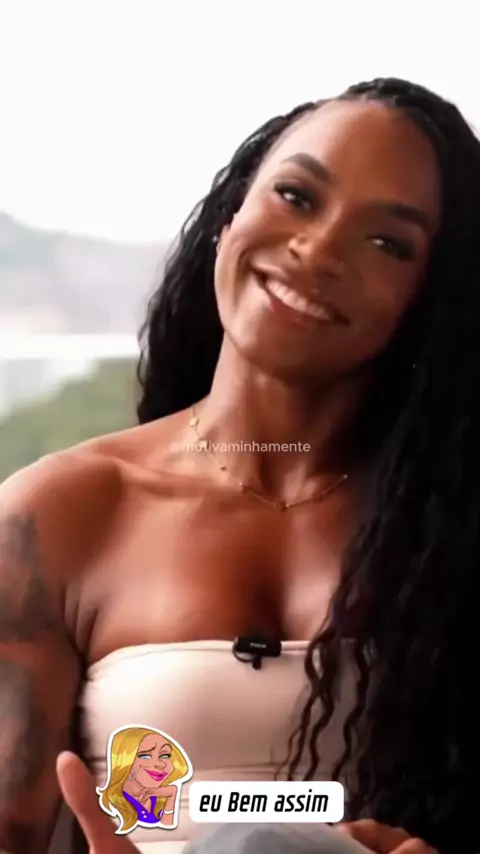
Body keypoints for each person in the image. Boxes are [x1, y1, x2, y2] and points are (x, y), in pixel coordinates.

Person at [0, 75, 479, 854]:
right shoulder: (56, 516)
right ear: (230, 217)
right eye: (296, 196)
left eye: (387, 243)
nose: (318, 249)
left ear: (428, 302)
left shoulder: (453, 533)